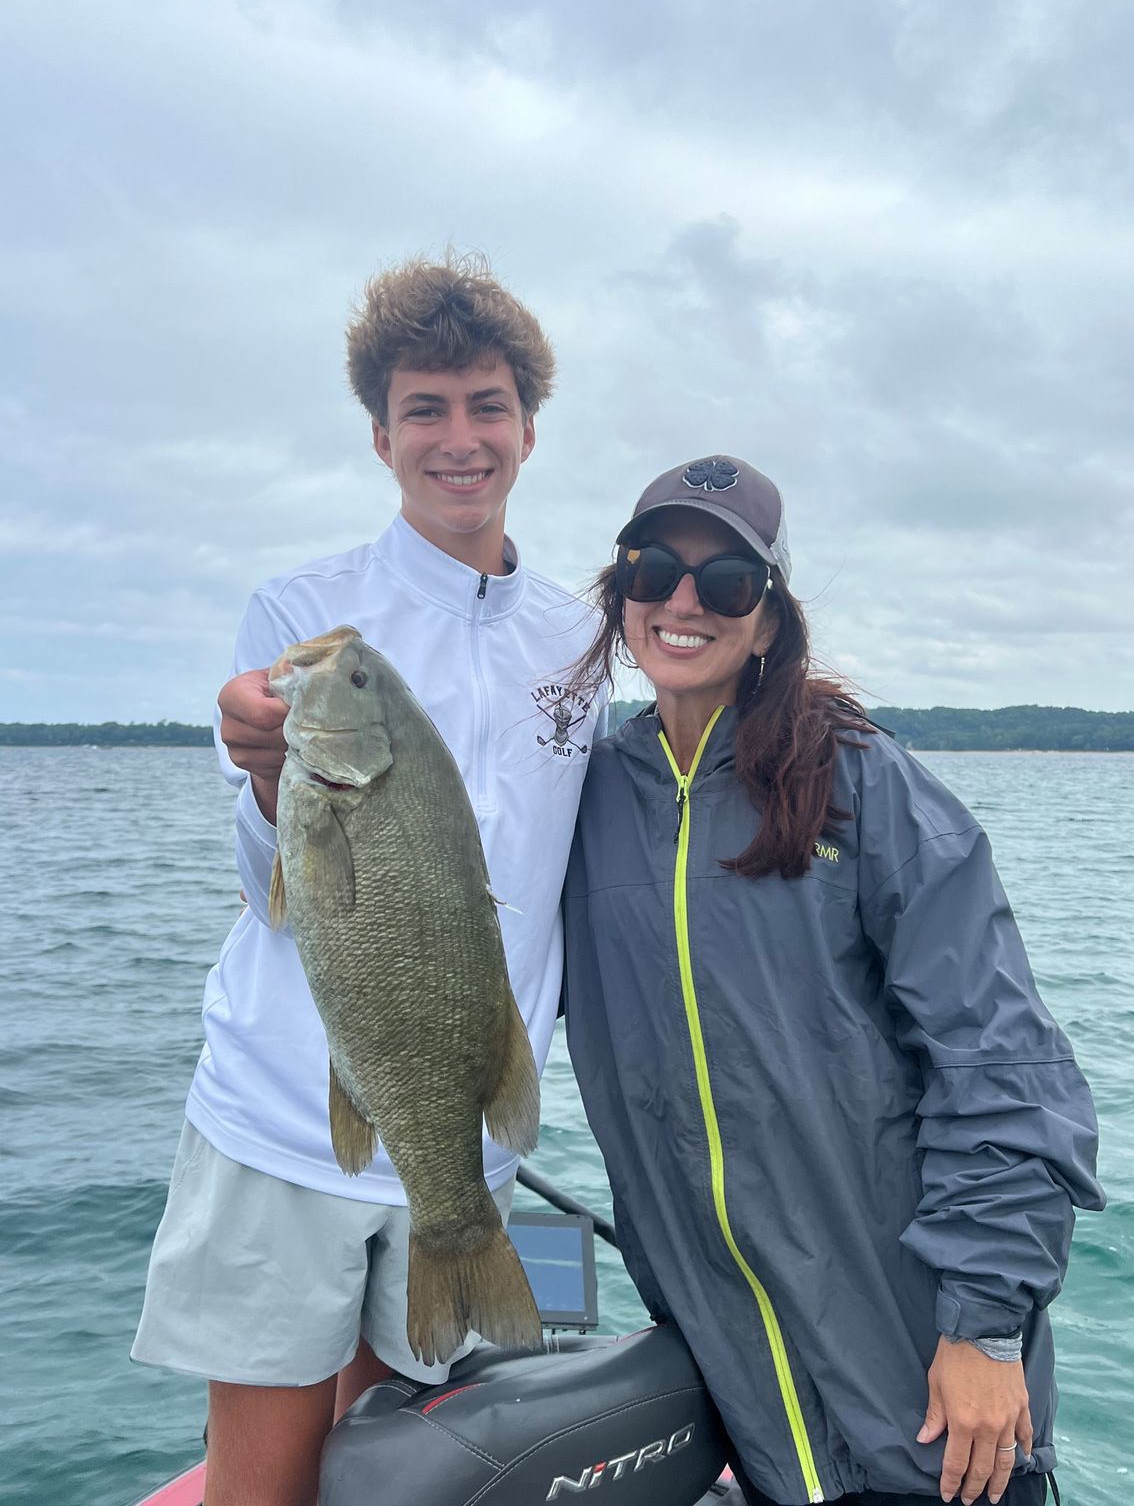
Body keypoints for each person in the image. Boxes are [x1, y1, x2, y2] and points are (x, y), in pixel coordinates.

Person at [131, 253, 605, 1506]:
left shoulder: (580, 637)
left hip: (467, 1133)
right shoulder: (305, 618)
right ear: (382, 434)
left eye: (487, 405)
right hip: (289, 1119)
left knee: (403, 1473)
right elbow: (270, 889)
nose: (461, 438)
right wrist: (257, 772)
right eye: (426, 410)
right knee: (271, 1480)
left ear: (530, 425)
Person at [562, 455, 1104, 1506]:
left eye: (725, 583)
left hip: (933, 1412)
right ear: (620, 590)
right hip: (755, 1426)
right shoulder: (584, 807)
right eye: (654, 567)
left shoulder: (870, 787)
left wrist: (985, 1326)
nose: (683, 600)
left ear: (766, 622)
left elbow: (1008, 1072)